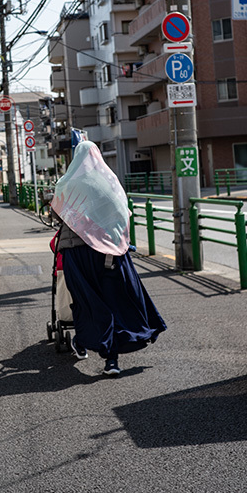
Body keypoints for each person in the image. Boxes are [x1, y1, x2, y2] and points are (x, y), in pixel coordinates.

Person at [51, 140, 166, 376]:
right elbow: (122, 212)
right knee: (115, 301)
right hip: (108, 253)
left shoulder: (67, 182)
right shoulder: (109, 181)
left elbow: (57, 212)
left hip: (76, 253)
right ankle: (111, 361)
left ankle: (83, 341)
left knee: (87, 302)